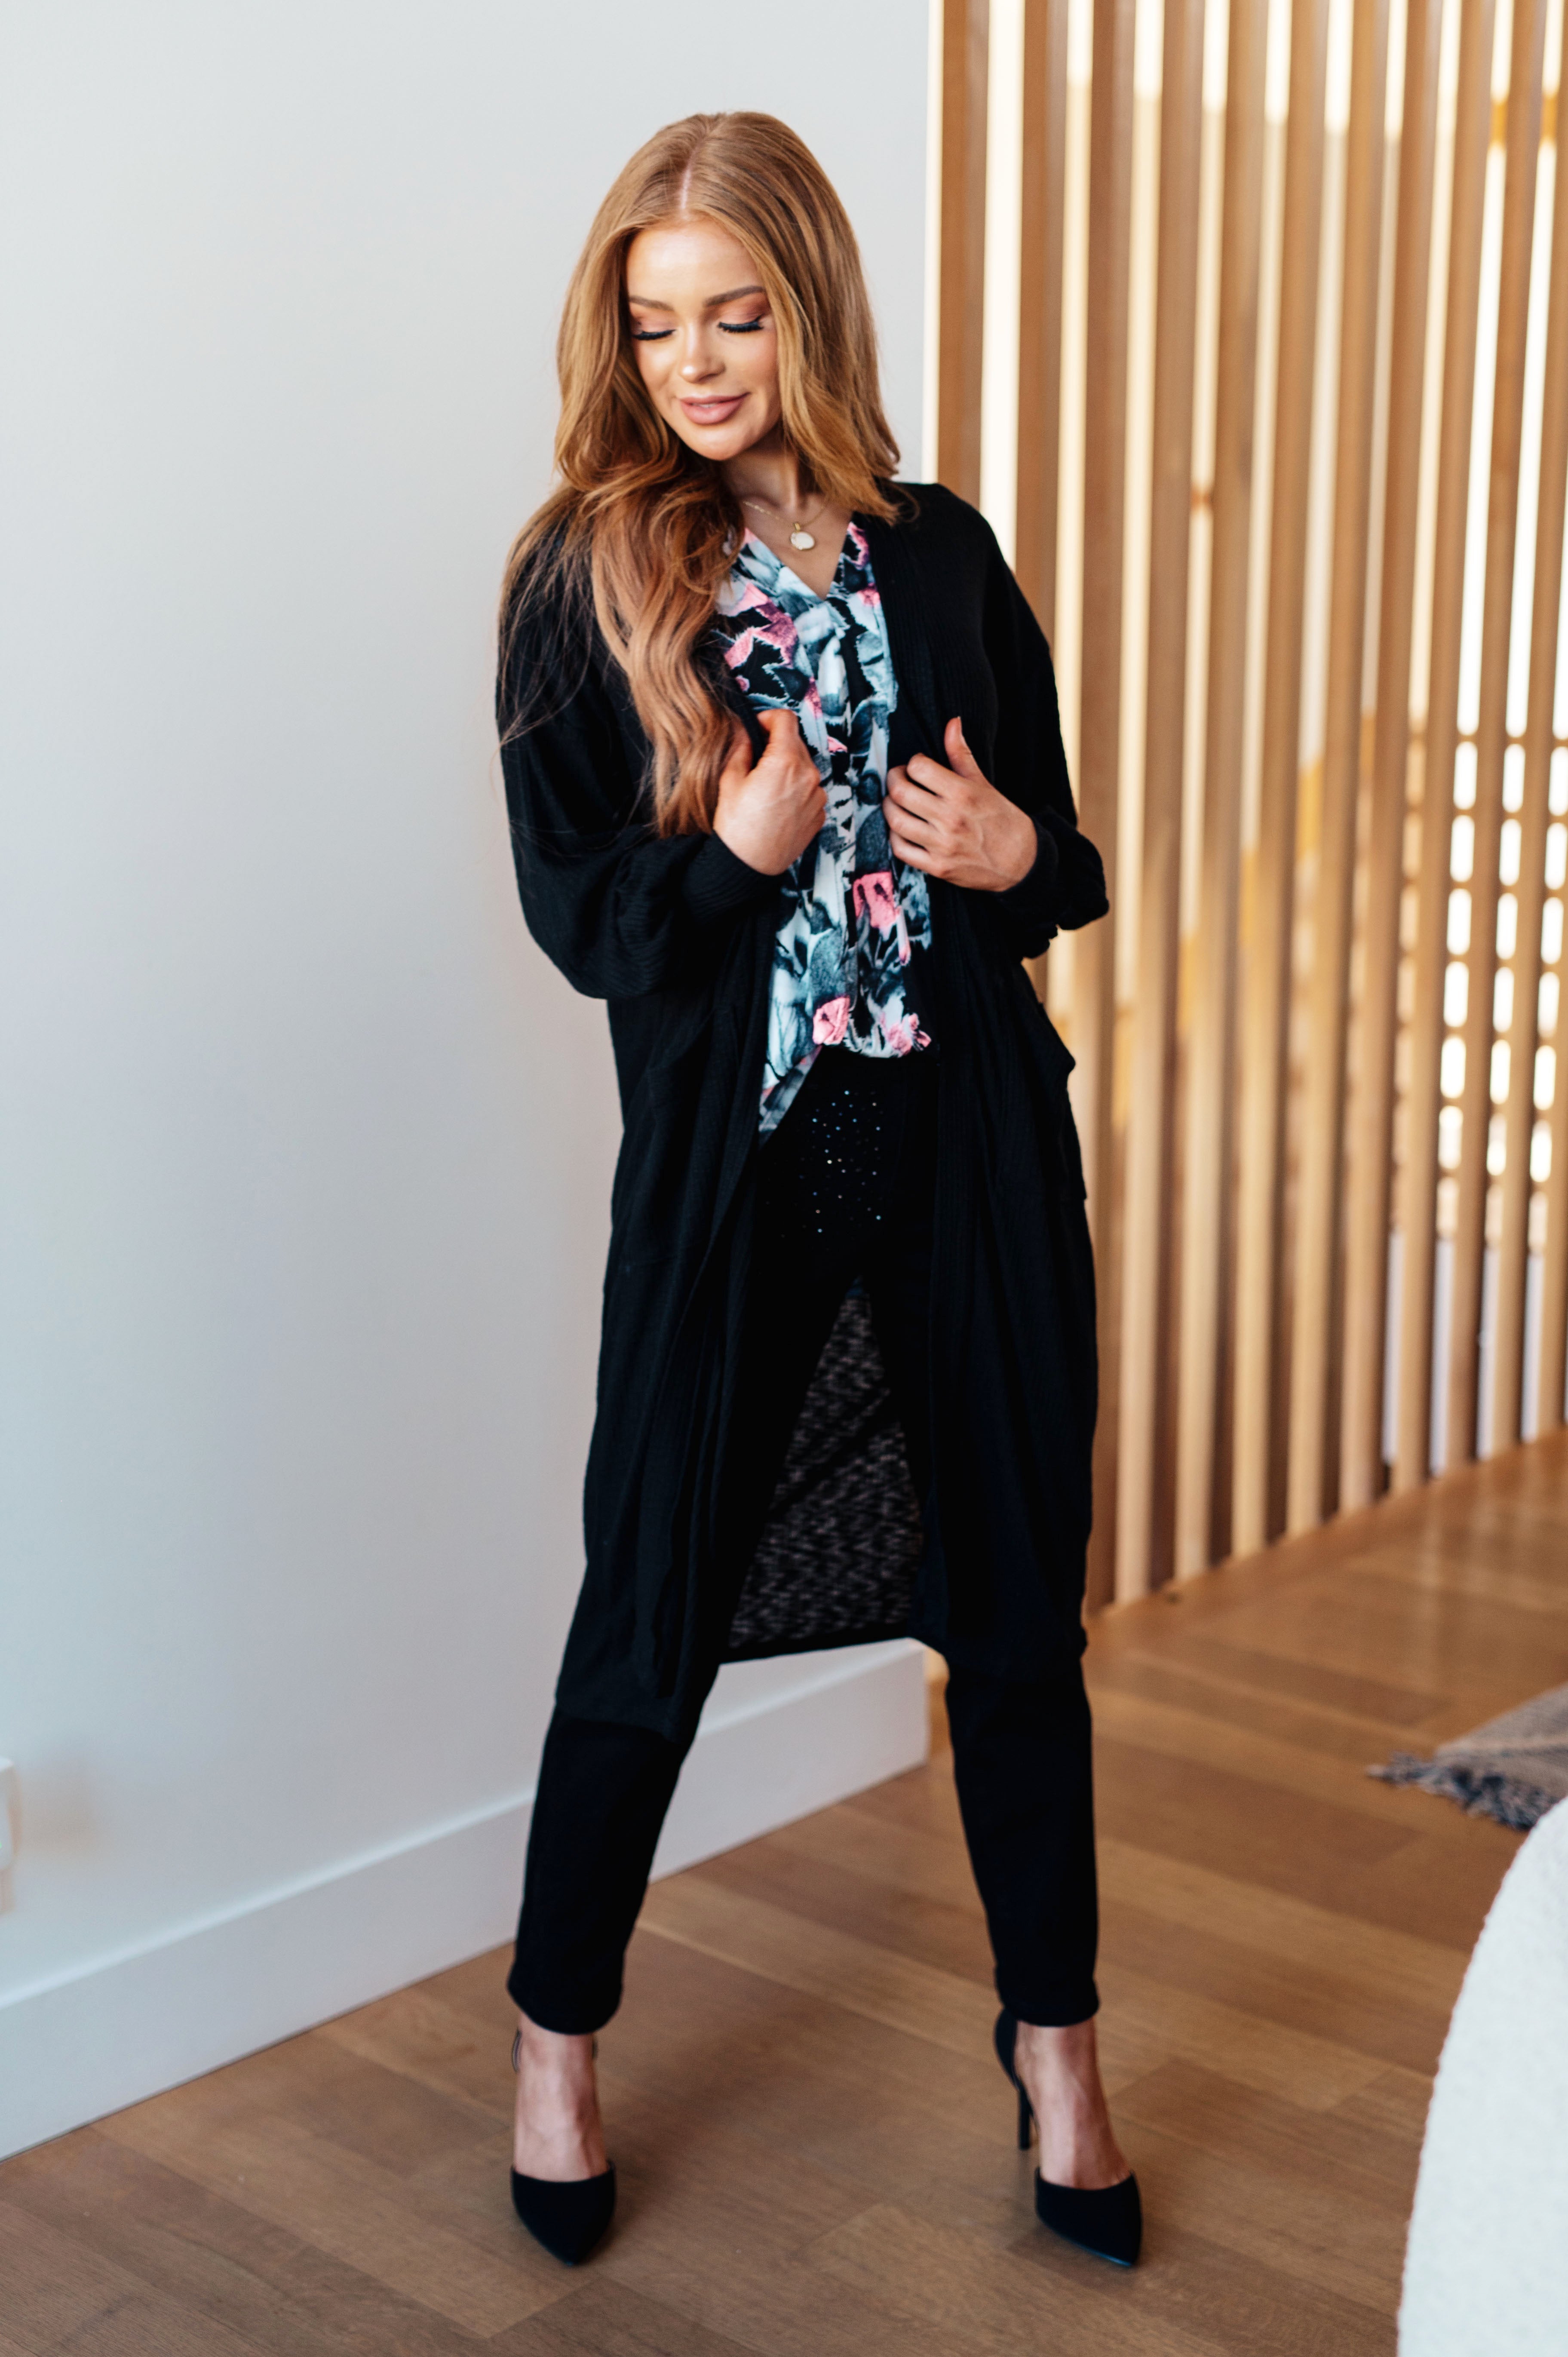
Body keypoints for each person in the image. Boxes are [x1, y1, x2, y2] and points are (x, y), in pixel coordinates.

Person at [495, 110, 1138, 2273]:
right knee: (651, 1608)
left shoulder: (938, 555)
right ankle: (556, 2045)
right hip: (740, 1179)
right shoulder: (585, 578)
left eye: (736, 314)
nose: (693, 363)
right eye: (654, 322)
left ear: (811, 309)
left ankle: (1060, 2048)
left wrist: (1017, 859)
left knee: (1020, 1620)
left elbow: (1062, 857)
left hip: (966, 1157)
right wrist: (731, 860)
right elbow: (587, 923)